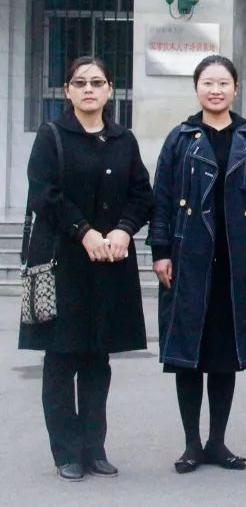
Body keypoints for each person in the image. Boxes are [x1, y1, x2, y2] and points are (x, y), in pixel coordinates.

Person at [20, 56, 153, 481]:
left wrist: (124, 230)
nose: (89, 89)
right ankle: (67, 452)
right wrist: (85, 232)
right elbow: (45, 194)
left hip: (109, 264)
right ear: (67, 91)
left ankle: (94, 448)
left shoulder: (123, 139)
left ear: (110, 89)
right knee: (62, 359)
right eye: (80, 83)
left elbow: (142, 194)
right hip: (63, 262)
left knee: (98, 359)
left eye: (97, 82)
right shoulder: (53, 136)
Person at [148, 55, 246, 474]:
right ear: (197, 88)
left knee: (225, 355)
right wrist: (160, 251)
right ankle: (191, 444)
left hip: (236, 263)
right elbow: (162, 198)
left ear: (236, 88)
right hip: (189, 260)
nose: (216, 90)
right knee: (188, 353)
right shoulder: (181, 138)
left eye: (223, 83)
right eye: (208, 82)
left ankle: (217, 442)